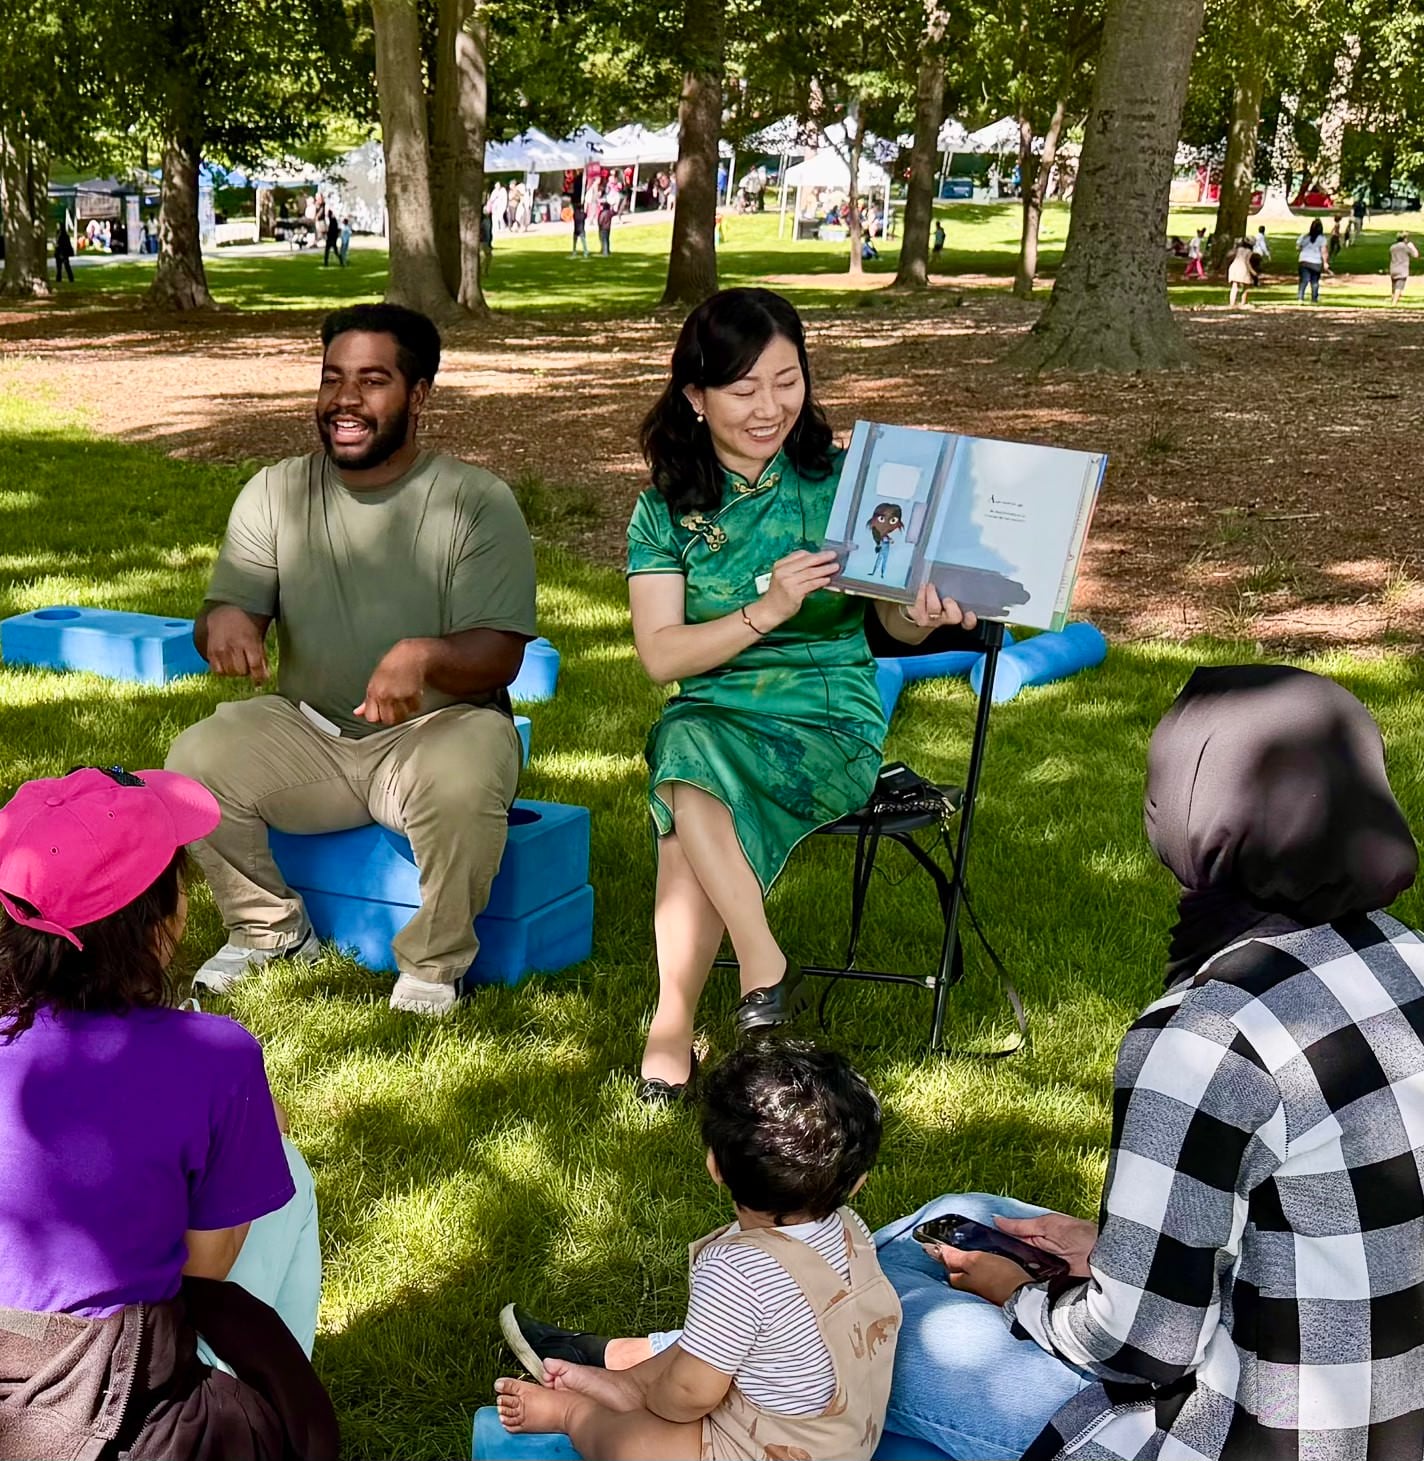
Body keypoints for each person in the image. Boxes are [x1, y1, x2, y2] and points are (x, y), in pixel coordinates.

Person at [875, 664, 1424, 1461]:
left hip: (1251, 1433)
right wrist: (1112, 1246)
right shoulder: (1408, 959)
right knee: (963, 1206)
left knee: (872, 1312)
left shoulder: (1211, 1034)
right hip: (1388, 1403)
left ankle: (669, 1364)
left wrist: (1025, 1295)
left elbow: (1136, 1347)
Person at [624, 288, 975, 1100]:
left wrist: (919, 618)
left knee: (683, 775)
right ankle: (745, 968)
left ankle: (681, 1020)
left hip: (829, 714)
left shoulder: (847, 483)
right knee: (688, 753)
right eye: (744, 389)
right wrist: (766, 608)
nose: (769, 407)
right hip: (714, 705)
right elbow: (660, 655)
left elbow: (893, 620)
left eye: (787, 381)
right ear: (695, 398)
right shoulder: (664, 511)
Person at [165, 304, 537, 1017]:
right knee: (192, 762)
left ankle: (433, 966)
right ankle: (270, 928)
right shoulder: (276, 492)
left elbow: (501, 656)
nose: (345, 399)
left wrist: (423, 656)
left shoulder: (475, 502)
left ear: (418, 394)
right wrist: (225, 624)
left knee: (465, 771)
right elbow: (224, 609)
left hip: (436, 735)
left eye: (372, 381)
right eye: (333, 378)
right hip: (312, 735)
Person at [0, 766, 336, 1459]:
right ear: (159, 917)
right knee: (290, 1173)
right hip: (115, 1392)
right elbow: (203, 1268)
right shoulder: (217, 1057)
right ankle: (266, 1375)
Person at [494, 1042, 900, 1461]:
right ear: (857, 1183)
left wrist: (658, 1412)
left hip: (762, 1449)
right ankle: (625, 1383)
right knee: (705, 1345)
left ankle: (573, 1415)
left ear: (715, 1167)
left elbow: (690, 1393)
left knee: (635, 1446)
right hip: (843, 1440)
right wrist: (642, 1387)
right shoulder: (852, 1232)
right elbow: (713, 1348)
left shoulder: (738, 1270)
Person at [1297, 216, 1330, 302]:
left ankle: (1300, 297)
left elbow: (1298, 247)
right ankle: (1314, 298)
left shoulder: (1304, 237)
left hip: (1304, 260)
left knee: (1303, 280)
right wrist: (1325, 262)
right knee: (1314, 281)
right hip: (1315, 262)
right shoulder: (1322, 239)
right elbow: (1324, 251)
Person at [1389, 230, 1418, 303]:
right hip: (1402, 270)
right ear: (1405, 239)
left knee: (1394, 285)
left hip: (1393, 268)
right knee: (1399, 287)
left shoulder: (1392, 247)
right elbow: (1415, 255)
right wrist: (1412, 247)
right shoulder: (1405, 247)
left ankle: (1393, 298)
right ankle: (1394, 303)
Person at [1226, 236, 1255, 305]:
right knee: (1246, 286)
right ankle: (1243, 302)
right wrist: (1253, 272)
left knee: (1234, 286)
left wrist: (1234, 246)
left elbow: (1228, 255)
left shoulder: (1238, 249)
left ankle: (1232, 303)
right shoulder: (1249, 252)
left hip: (1234, 267)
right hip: (1243, 268)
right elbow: (1247, 262)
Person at [571, 192, 589, 258]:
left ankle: (574, 252)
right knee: (583, 242)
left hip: (576, 230)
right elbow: (586, 215)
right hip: (581, 230)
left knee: (575, 243)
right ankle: (585, 252)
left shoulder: (575, 214)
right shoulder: (582, 214)